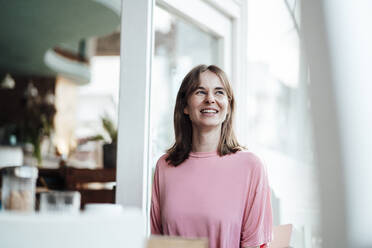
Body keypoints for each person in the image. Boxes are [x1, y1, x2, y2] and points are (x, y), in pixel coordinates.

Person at [150, 65, 273, 248]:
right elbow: (157, 241)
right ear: (185, 106)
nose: (210, 99)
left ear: (229, 107)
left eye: (219, 92)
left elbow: (255, 245)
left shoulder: (250, 167)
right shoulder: (164, 166)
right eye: (200, 92)